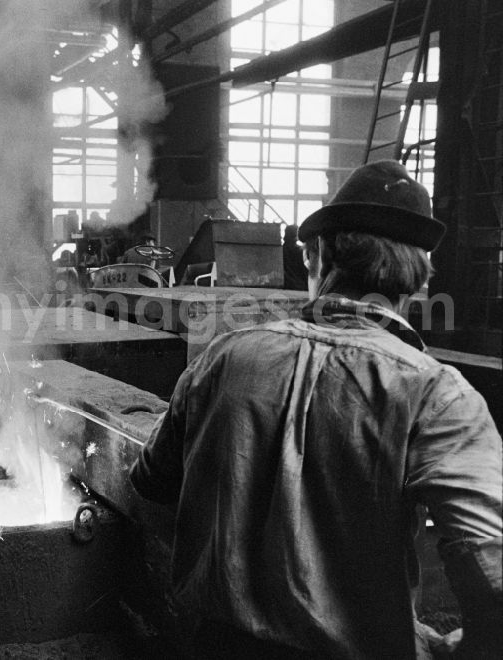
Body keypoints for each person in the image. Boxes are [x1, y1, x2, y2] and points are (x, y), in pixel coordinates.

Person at [129, 160, 501, 659]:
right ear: (417, 278)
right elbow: (491, 571)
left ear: (319, 258)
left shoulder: (223, 356)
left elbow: (150, 480)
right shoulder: (438, 395)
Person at [282, 224, 309, 290]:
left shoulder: (280, 250)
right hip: (300, 285)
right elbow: (305, 270)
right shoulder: (301, 251)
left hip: (285, 285)